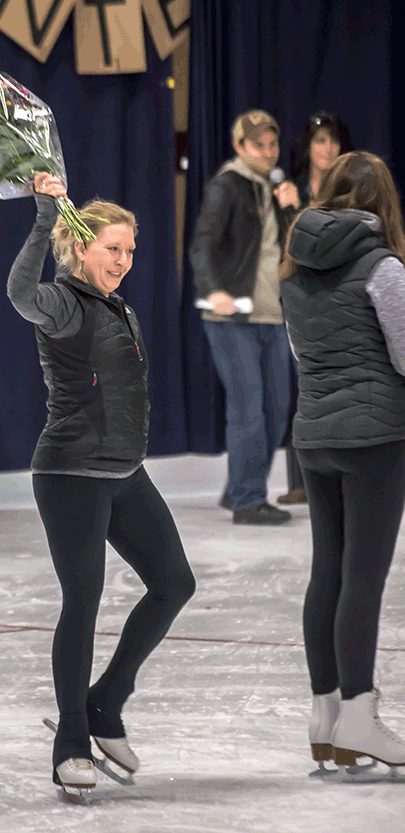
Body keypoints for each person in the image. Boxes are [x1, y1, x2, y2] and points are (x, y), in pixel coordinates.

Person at [7, 172, 196, 792]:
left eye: (131, 250)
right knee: (83, 602)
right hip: (69, 475)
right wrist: (41, 216)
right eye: (113, 247)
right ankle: (69, 742)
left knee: (173, 583)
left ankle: (106, 702)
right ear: (82, 247)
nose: (124, 259)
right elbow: (18, 293)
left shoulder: (118, 306)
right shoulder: (63, 303)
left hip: (123, 473)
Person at [280, 151, 405, 771]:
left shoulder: (294, 266)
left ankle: (326, 716)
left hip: (314, 435)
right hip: (375, 439)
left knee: (327, 571)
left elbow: (301, 355)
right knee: (363, 577)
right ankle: (359, 715)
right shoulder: (383, 267)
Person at [190, 110, 300, 525]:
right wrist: (215, 290)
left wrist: (293, 209)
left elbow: (291, 248)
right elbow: (203, 243)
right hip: (233, 315)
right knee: (249, 406)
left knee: (276, 407)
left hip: (275, 314)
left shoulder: (275, 187)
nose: (268, 153)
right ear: (240, 146)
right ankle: (248, 499)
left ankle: (239, 486)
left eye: (272, 145)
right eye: (259, 145)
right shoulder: (228, 185)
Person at [277, 112, 355, 505]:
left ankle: (341, 471)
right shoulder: (290, 189)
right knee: (300, 388)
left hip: (340, 299)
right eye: (320, 141)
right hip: (299, 300)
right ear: (307, 146)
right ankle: (300, 481)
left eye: (334, 141)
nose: (328, 149)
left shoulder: (349, 192)